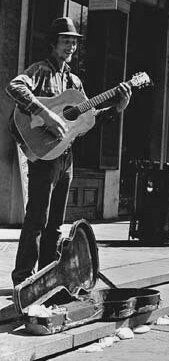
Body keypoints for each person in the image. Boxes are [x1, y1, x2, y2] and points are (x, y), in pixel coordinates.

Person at [6, 17, 132, 286]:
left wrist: (116, 108)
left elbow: (88, 117)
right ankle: (23, 280)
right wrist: (46, 115)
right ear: (53, 44)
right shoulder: (39, 70)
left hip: (66, 157)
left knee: (56, 223)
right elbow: (14, 86)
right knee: (36, 218)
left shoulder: (74, 81)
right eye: (65, 41)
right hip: (44, 156)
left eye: (74, 42)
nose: (71, 46)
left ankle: (49, 277)